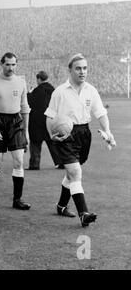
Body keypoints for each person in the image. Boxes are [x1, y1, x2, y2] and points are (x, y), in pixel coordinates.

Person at [44, 53, 116, 227]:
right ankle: (83, 213)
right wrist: (51, 134)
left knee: (72, 173)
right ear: (70, 70)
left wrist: (108, 132)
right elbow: (49, 116)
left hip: (84, 133)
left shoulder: (91, 90)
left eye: (85, 68)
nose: (82, 72)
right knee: (76, 172)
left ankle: (61, 206)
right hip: (65, 136)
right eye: (78, 68)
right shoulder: (59, 92)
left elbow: (101, 113)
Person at [0, 52, 31, 210]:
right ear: (1, 64)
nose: (11, 68)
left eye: (13, 64)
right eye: (8, 64)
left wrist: (26, 132)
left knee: (19, 161)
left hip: (16, 122)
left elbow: (25, 108)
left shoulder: (21, 82)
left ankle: (17, 200)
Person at [26, 71, 62, 170]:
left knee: (35, 143)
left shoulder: (36, 91)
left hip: (36, 121)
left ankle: (34, 164)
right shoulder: (53, 90)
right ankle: (60, 162)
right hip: (50, 120)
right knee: (52, 142)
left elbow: (29, 102)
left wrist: (29, 93)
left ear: (38, 79)